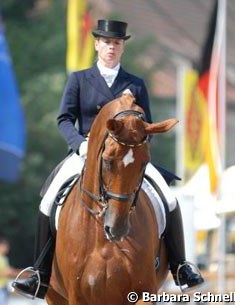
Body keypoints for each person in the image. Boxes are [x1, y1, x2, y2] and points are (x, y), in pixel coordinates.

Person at [13, 19, 204, 299]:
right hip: (86, 153)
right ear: (97, 45)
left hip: (127, 154)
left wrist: (136, 147)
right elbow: (65, 118)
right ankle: (39, 274)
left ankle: (181, 267)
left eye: (116, 43)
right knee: (48, 198)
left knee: (168, 197)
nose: (110, 47)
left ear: (122, 47)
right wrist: (80, 145)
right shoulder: (79, 79)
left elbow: (146, 124)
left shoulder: (135, 83)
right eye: (106, 42)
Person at [0, 238, 20, 305]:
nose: (7, 249)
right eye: (6, 246)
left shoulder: (4, 258)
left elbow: (9, 271)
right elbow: (7, 272)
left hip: (3, 288)